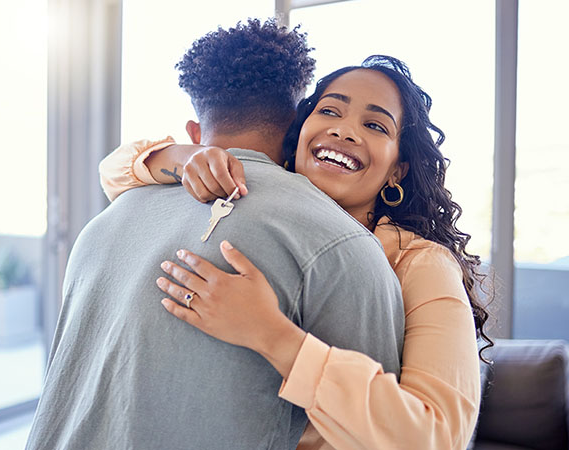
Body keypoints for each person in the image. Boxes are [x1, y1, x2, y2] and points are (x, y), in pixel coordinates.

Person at [25, 20, 405, 450]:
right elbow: (378, 434)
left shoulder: (102, 226)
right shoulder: (340, 244)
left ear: (193, 133)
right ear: (297, 127)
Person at [99, 55, 491, 449]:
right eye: (329, 110)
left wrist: (271, 334)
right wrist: (183, 157)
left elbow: (439, 437)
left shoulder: (421, 264)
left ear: (397, 170)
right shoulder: (260, 205)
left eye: (374, 125)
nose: (344, 130)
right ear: (299, 132)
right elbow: (113, 172)